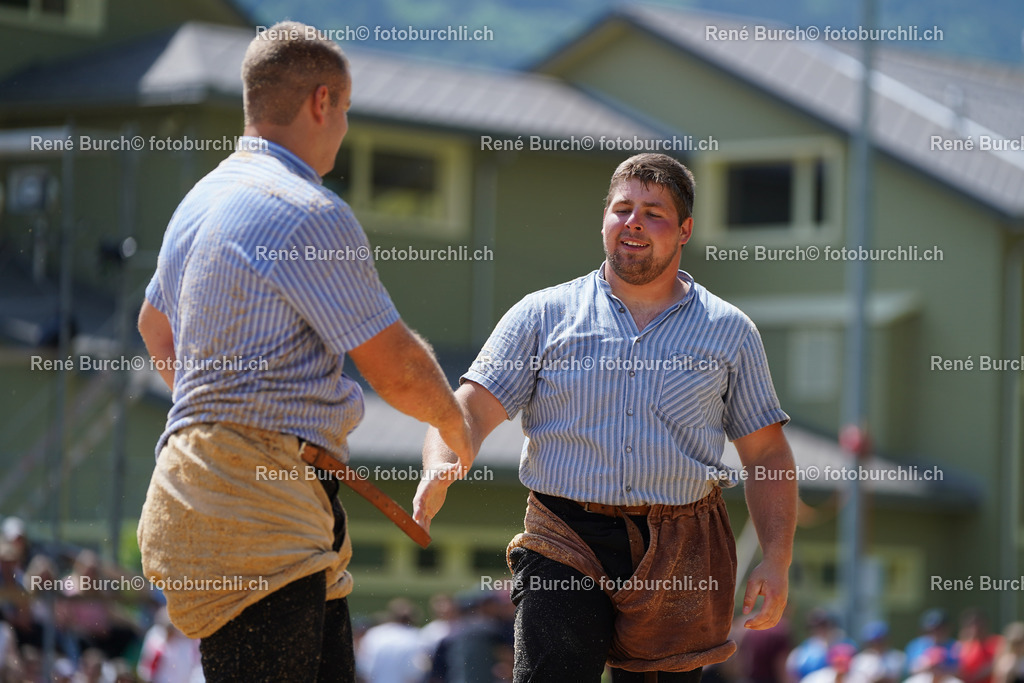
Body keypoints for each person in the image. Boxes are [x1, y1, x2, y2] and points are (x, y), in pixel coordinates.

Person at [136, 20, 472, 683]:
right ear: (322, 102)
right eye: (344, 110)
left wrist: (216, 413)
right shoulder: (308, 209)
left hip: (208, 492)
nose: (343, 129)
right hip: (255, 512)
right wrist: (454, 424)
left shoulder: (198, 202)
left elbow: (154, 329)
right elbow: (395, 364)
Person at [413, 153, 797, 682]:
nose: (634, 222)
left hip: (683, 543)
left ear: (685, 230)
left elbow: (768, 454)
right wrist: (441, 463)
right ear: (604, 221)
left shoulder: (730, 331)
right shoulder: (542, 314)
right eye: (622, 209)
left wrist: (776, 560)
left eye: (654, 212)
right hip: (564, 532)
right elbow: (467, 411)